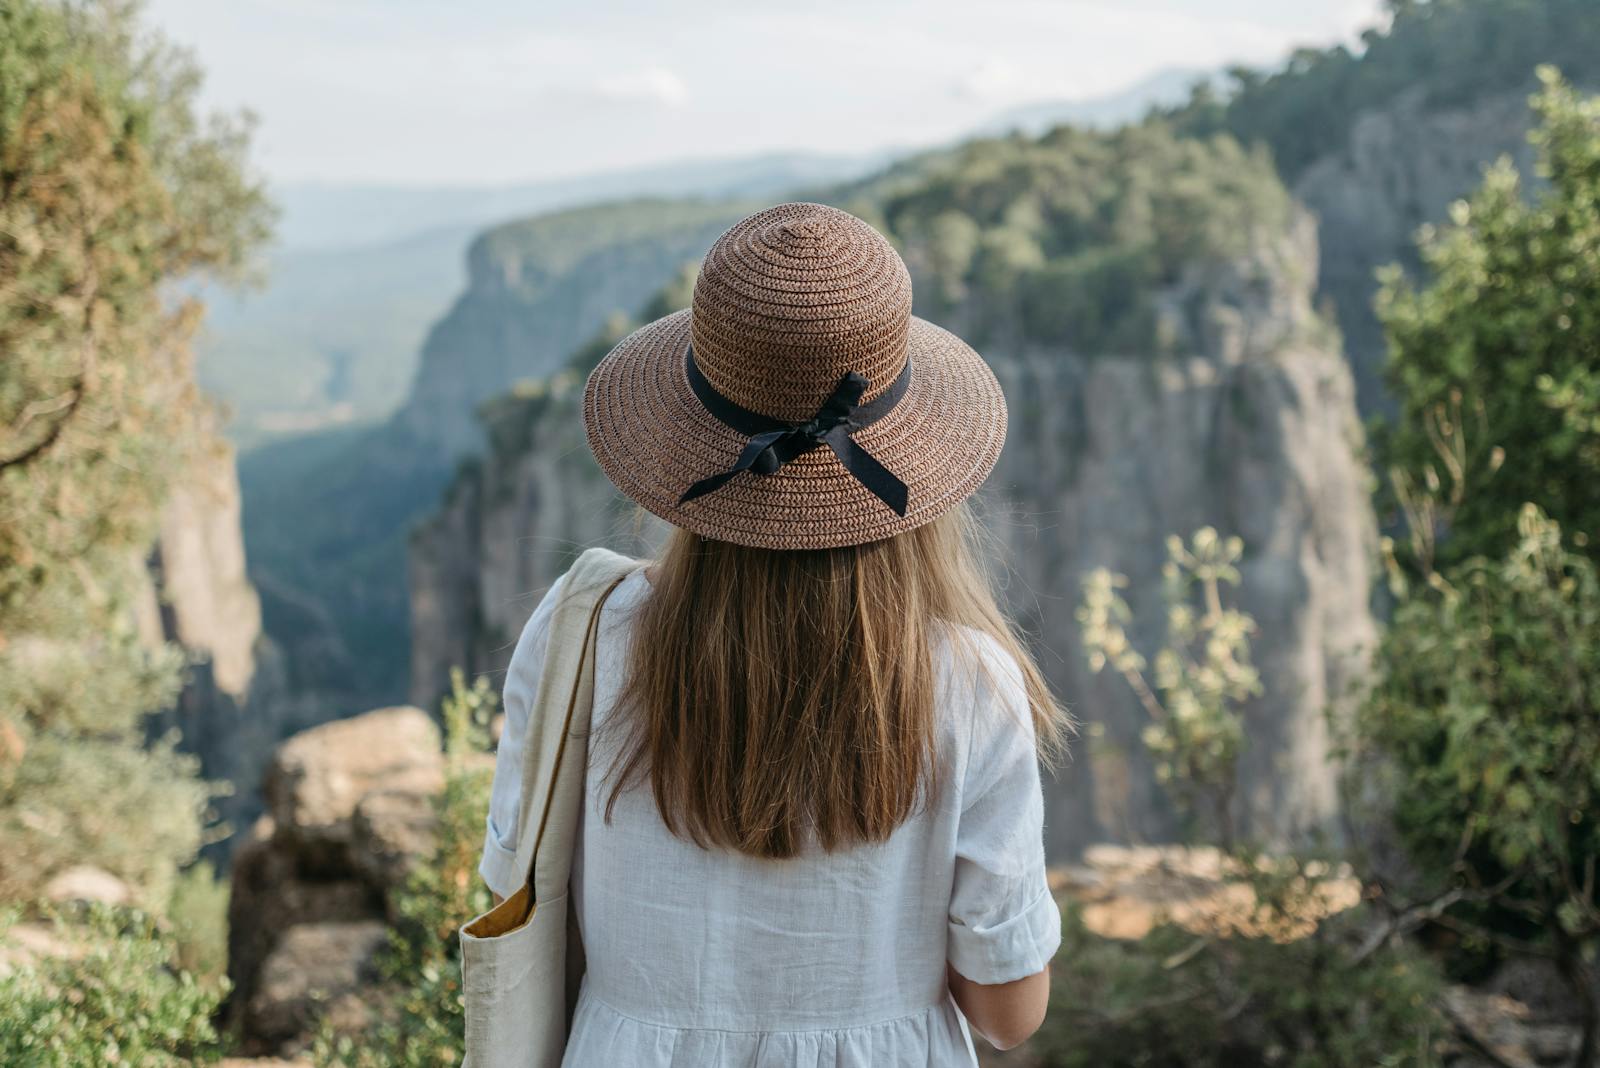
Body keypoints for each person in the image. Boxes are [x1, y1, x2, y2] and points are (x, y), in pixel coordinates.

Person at [479, 202, 1073, 1066]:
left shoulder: (585, 635)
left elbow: (515, 890)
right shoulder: (973, 682)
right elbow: (1007, 1009)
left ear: (689, 440)